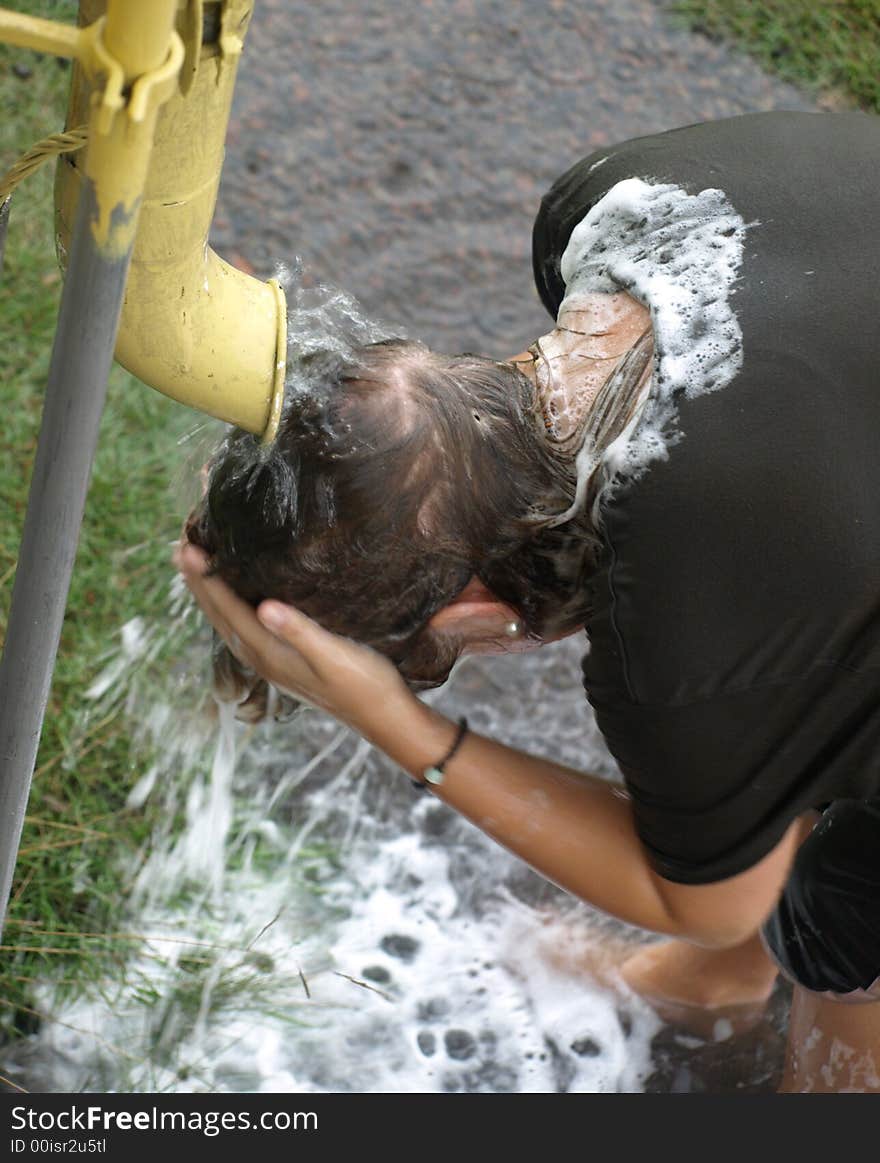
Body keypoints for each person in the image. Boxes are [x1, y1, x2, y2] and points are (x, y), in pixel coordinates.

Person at [177, 110, 880, 1093]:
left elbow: (708, 901)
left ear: (467, 616)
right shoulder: (608, 208)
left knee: (847, 950)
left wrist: (393, 716)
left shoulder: (681, 599)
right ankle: (719, 988)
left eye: (448, 651)